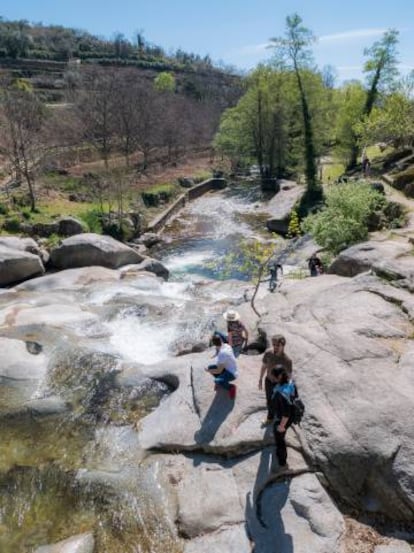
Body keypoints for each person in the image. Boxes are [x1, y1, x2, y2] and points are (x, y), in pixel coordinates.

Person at [258, 334, 292, 425]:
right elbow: (264, 366)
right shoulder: (268, 353)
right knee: (269, 400)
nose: (275, 347)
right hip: (268, 381)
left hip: (279, 385)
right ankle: (270, 418)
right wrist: (260, 379)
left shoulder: (287, 360)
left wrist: (287, 389)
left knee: (280, 402)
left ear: (283, 345)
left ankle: (280, 417)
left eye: (278, 345)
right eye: (274, 345)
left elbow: (289, 376)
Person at [269, 367, 297, 471]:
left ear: (279, 376)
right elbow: (294, 396)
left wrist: (281, 426)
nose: (272, 378)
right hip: (291, 414)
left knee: (280, 440)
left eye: (273, 376)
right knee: (280, 435)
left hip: (283, 419)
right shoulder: (290, 382)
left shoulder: (282, 393)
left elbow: (286, 413)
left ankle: (282, 462)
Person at [205, 334, 238, 399]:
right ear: (221, 340)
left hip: (232, 374)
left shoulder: (222, 353)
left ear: (214, 344)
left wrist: (208, 371)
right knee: (211, 367)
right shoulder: (226, 345)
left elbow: (218, 370)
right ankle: (221, 382)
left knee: (217, 380)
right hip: (228, 369)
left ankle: (231, 387)